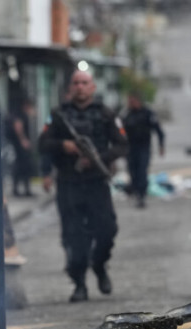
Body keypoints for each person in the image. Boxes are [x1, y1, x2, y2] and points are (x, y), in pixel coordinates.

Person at [39, 70, 128, 303]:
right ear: (71, 88)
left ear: (92, 87)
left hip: (97, 182)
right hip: (69, 184)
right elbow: (43, 144)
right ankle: (79, 283)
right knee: (73, 236)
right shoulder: (58, 114)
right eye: (76, 83)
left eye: (84, 82)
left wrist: (99, 158)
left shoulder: (106, 114)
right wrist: (64, 146)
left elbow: (122, 145)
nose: (80, 86)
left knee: (107, 231)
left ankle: (99, 265)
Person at [122, 92, 165, 208]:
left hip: (143, 147)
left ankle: (141, 195)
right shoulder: (126, 114)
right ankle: (136, 192)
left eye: (133, 101)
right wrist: (121, 139)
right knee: (132, 171)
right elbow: (120, 129)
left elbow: (158, 130)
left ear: (138, 101)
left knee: (142, 171)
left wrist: (161, 145)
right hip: (130, 148)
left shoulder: (148, 113)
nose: (131, 103)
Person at [6, 98, 37, 197]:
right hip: (20, 146)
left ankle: (20, 189)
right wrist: (23, 140)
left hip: (17, 145)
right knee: (23, 167)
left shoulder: (17, 113)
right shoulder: (20, 114)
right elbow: (18, 126)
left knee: (20, 167)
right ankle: (24, 189)